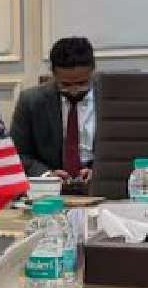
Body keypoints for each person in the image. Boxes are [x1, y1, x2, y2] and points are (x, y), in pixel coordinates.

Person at [11, 36, 97, 183]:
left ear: (93, 70)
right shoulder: (31, 101)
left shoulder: (113, 98)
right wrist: (46, 175)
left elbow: (127, 151)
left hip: (101, 186)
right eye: (66, 84)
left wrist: (101, 171)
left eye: (82, 83)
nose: (74, 90)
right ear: (53, 73)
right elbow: (17, 153)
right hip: (51, 188)